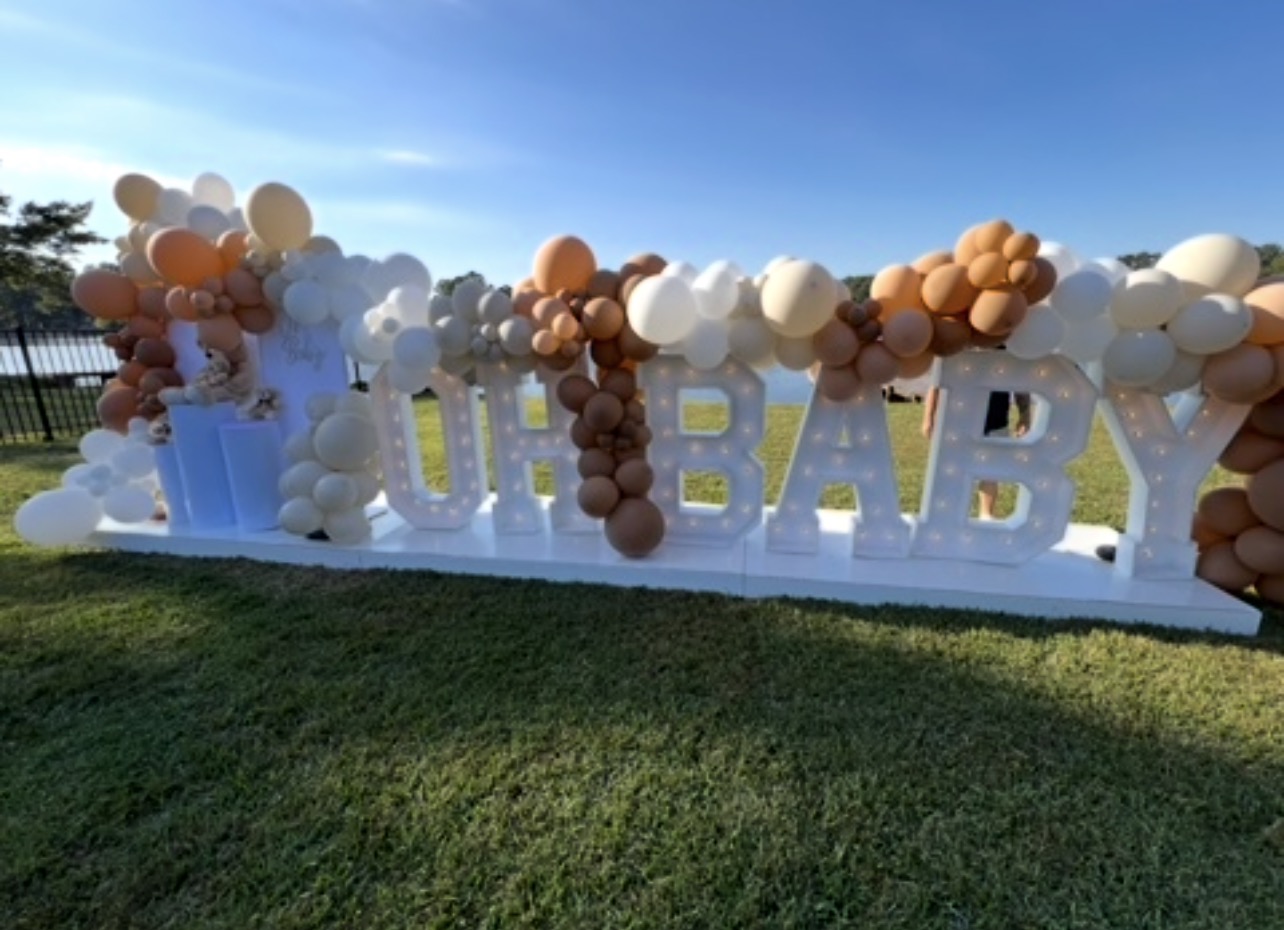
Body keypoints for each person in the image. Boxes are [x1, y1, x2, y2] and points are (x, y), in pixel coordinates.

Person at [922, 387, 1031, 520]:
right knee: (955, 470)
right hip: (960, 419)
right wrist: (928, 418)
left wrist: (1025, 416)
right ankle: (950, 514)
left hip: (996, 419)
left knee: (991, 471)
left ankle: (986, 515)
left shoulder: (1012, 365)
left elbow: (1019, 384)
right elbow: (937, 383)